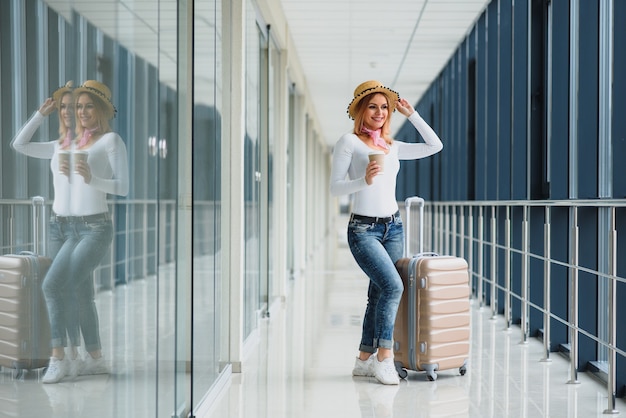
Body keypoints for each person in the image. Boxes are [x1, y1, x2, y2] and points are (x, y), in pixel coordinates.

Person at [11, 80, 129, 384]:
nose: (82, 111)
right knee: (80, 293)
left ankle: (59, 357)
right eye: (78, 106)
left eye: (89, 105)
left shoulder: (110, 141)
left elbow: (125, 188)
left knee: (53, 286)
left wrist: (92, 179)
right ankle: (95, 358)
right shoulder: (64, 145)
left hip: (94, 228)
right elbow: (18, 145)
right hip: (59, 227)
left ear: (101, 109)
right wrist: (40, 114)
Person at [329, 80, 443, 385]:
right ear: (360, 111)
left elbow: (435, 146)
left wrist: (413, 114)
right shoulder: (349, 143)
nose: (379, 112)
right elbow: (334, 188)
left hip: (393, 226)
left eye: (384, 107)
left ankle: (363, 360)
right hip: (363, 229)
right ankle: (384, 357)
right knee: (394, 287)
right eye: (372, 106)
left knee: (378, 292)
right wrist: (363, 181)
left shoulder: (392, 147)